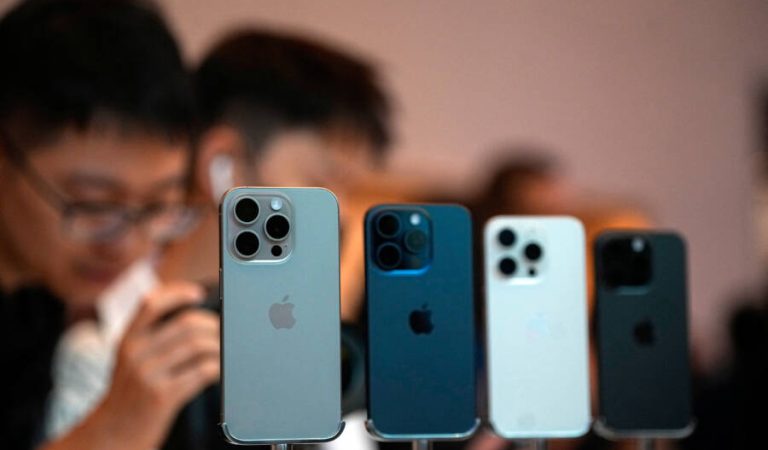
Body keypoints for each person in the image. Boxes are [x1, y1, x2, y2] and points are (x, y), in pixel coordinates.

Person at [0, 1, 219, 449]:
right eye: (94, 205)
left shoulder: (41, 301)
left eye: (159, 205)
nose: (128, 243)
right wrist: (113, 432)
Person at [160, 28, 395, 324]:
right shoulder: (112, 340)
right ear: (225, 167)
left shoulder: (301, 334)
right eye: (319, 183)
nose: (342, 214)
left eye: (351, 192)